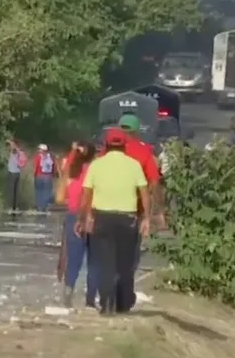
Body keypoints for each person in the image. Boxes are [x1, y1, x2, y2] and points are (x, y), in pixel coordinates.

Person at [76, 128, 150, 316]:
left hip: (102, 218)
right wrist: (146, 217)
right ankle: (123, 303)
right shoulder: (134, 165)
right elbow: (144, 192)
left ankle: (107, 304)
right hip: (127, 219)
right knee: (125, 264)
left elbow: (86, 194)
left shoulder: (96, 165)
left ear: (106, 146)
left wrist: (82, 218)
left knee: (104, 263)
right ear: (124, 146)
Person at [115, 113, 161, 310]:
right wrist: (155, 212)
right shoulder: (144, 153)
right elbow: (154, 183)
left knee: (107, 254)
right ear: (137, 132)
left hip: (104, 209)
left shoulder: (109, 151)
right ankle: (124, 297)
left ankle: (105, 295)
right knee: (129, 257)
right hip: (133, 212)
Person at [61, 142, 97, 307]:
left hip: (72, 215)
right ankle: (90, 299)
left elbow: (61, 197)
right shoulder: (95, 170)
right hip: (93, 216)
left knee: (73, 258)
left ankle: (68, 292)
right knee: (94, 259)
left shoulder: (70, 171)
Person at [32, 144, 57, 211]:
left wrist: (34, 174)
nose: (38, 150)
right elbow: (54, 167)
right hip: (48, 177)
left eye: (39, 149)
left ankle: (39, 205)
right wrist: (53, 175)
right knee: (47, 192)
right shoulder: (51, 157)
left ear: (41, 150)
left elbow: (35, 167)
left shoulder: (38, 157)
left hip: (39, 176)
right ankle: (44, 206)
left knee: (39, 191)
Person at [5, 138, 27, 212]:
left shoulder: (14, 151)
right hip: (17, 172)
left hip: (12, 172)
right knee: (16, 191)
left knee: (11, 191)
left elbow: (9, 144)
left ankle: (11, 207)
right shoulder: (20, 151)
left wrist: (10, 142)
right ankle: (15, 207)